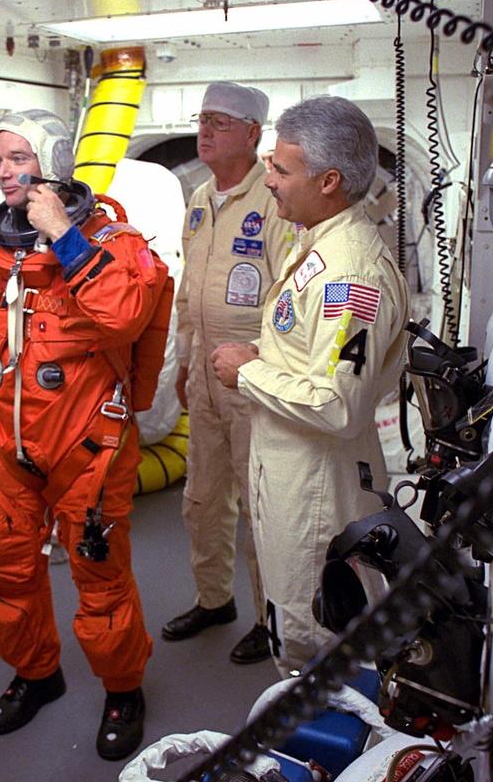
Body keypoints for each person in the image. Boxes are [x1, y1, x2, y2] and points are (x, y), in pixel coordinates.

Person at [0, 109, 169, 761]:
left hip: (91, 447)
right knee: (7, 569)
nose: (3, 171)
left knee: (101, 576)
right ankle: (36, 675)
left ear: (51, 160)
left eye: (17, 157)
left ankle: (123, 689)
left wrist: (63, 234)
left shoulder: (113, 240)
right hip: (14, 445)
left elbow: (124, 313)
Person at [212, 96, 410, 679]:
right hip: (288, 467)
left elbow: (335, 404)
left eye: (280, 170)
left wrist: (246, 371)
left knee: (311, 632)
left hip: (316, 488)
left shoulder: (351, 275)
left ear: (329, 181)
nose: (267, 180)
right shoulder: (316, 241)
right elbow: (308, 356)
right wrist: (264, 355)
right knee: (289, 613)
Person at [163, 82, 295, 665]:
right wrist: (186, 360)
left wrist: (264, 368)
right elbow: (188, 290)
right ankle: (214, 599)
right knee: (203, 498)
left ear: (252, 135)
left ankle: (273, 619)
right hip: (203, 375)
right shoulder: (198, 198)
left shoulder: (273, 201)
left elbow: (292, 300)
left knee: (259, 504)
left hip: (252, 378)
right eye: (203, 119)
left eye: (221, 122)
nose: (206, 130)